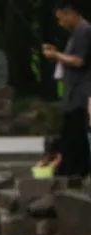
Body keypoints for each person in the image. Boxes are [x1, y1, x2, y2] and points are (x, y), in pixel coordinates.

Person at [43, 1, 91, 178]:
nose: (60, 23)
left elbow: (78, 61)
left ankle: (74, 171)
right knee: (73, 134)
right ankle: (76, 170)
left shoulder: (84, 31)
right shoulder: (76, 34)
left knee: (74, 134)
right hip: (73, 92)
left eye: (61, 18)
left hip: (80, 92)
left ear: (70, 13)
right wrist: (57, 54)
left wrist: (56, 55)